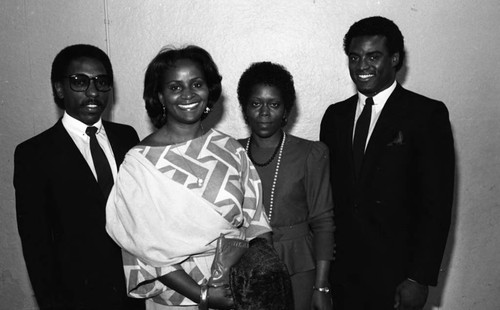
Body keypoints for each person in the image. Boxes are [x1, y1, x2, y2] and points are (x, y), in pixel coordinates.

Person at [105, 45, 272, 310]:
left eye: (196, 84)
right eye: (175, 87)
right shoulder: (139, 164)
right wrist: (203, 295)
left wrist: (256, 284)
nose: (188, 95)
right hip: (176, 298)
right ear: (159, 95)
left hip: (236, 291)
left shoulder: (232, 150)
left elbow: (256, 222)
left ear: (209, 90)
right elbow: (143, 248)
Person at [320, 16, 455, 310]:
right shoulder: (335, 117)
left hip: (396, 277)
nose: (362, 66)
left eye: (373, 56)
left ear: (395, 59)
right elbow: (328, 198)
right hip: (341, 276)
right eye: (354, 57)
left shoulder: (426, 114)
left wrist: (419, 278)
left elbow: (437, 205)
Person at [13, 44, 144, 309]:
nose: (93, 91)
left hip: (134, 291)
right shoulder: (34, 154)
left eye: (101, 81)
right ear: (59, 89)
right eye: (79, 82)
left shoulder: (127, 137)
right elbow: (36, 246)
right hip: (77, 298)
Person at [237, 61, 335, 310]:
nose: (265, 112)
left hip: (297, 264)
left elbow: (323, 223)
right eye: (256, 103)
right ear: (245, 109)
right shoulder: (231, 152)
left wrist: (321, 286)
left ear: (286, 110)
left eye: (274, 104)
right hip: (242, 264)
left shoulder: (311, 153)